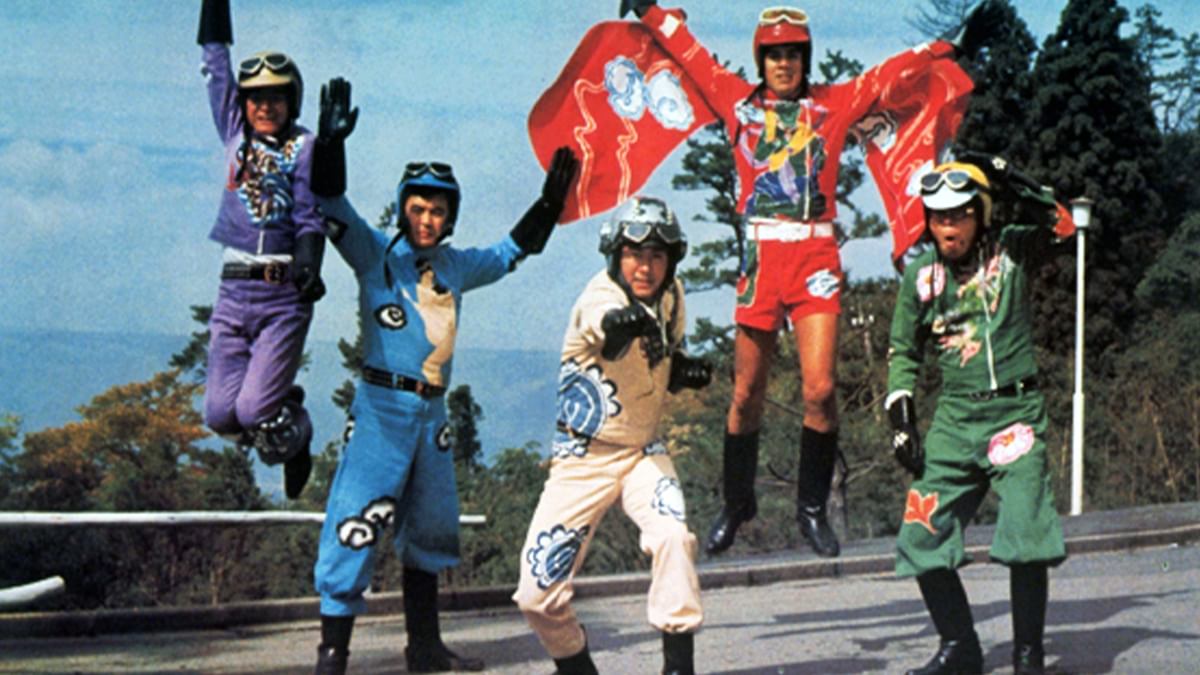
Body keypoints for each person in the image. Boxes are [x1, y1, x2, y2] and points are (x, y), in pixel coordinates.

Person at [621, 0, 996, 558]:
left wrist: (950, 45)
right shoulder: (737, 101)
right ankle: (737, 502)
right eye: (774, 55)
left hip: (816, 256)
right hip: (761, 258)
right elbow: (693, 57)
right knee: (746, 392)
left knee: (819, 389)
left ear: (805, 58)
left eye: (794, 54)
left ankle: (812, 508)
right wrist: (650, 11)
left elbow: (889, 74)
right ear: (761, 59)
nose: (784, 63)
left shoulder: (833, 105)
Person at [308, 77, 578, 675]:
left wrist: (548, 204)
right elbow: (330, 204)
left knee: (431, 530)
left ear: (450, 216)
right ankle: (332, 655)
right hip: (381, 411)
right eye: (418, 208)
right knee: (354, 521)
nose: (427, 219)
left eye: (437, 210)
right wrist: (329, 145)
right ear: (403, 209)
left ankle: (425, 649)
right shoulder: (374, 254)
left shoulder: (457, 266)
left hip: (433, 416)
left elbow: (510, 253)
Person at [886, 156, 1074, 675]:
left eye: (960, 215)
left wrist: (1012, 176)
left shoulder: (1012, 251)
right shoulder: (920, 278)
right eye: (938, 217)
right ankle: (960, 648)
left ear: (981, 214)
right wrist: (901, 420)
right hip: (954, 419)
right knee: (920, 534)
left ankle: (1028, 655)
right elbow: (903, 352)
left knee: (1025, 530)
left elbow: (1063, 225)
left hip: (1015, 415)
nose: (948, 227)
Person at [513, 196, 713, 675]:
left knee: (673, 538)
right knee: (537, 593)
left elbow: (661, 356)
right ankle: (576, 667)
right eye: (633, 254)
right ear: (614, 255)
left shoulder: (672, 296)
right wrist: (619, 325)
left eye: (657, 255)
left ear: (671, 260)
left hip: (643, 451)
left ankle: (678, 668)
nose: (645, 267)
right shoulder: (599, 296)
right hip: (584, 456)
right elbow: (607, 328)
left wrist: (681, 371)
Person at [196, 0, 325, 499]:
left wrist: (309, 265)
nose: (264, 107)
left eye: (275, 98)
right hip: (233, 292)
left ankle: (296, 431)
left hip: (280, 295)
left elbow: (310, 213)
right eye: (255, 99)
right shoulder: (234, 133)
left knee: (254, 413)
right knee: (219, 416)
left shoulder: (305, 147)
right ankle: (279, 402)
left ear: (292, 101)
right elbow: (216, 69)